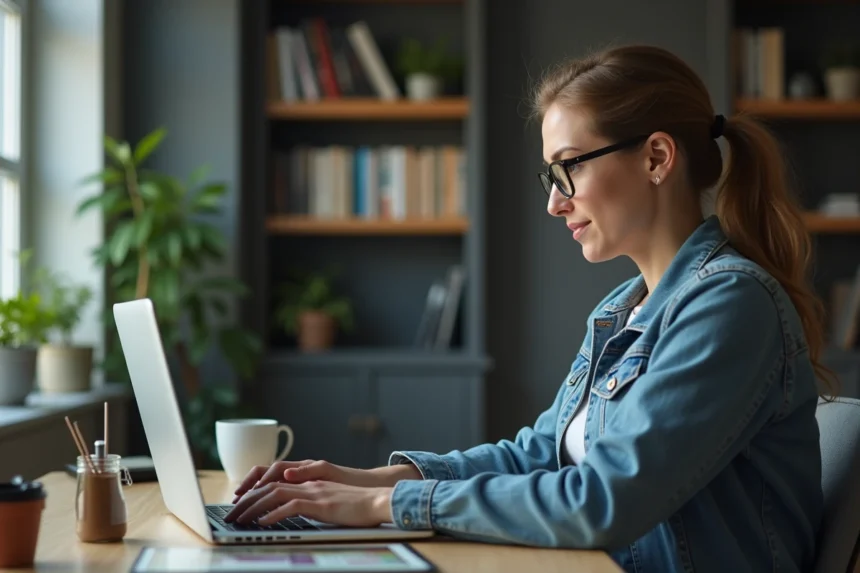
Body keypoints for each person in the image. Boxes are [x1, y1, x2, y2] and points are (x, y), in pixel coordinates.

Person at [225, 45, 832, 572]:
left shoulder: (730, 304)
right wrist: (373, 480)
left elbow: (602, 500)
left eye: (568, 168)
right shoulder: (623, 309)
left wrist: (386, 507)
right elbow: (540, 454)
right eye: (551, 176)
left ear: (656, 158)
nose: (555, 204)